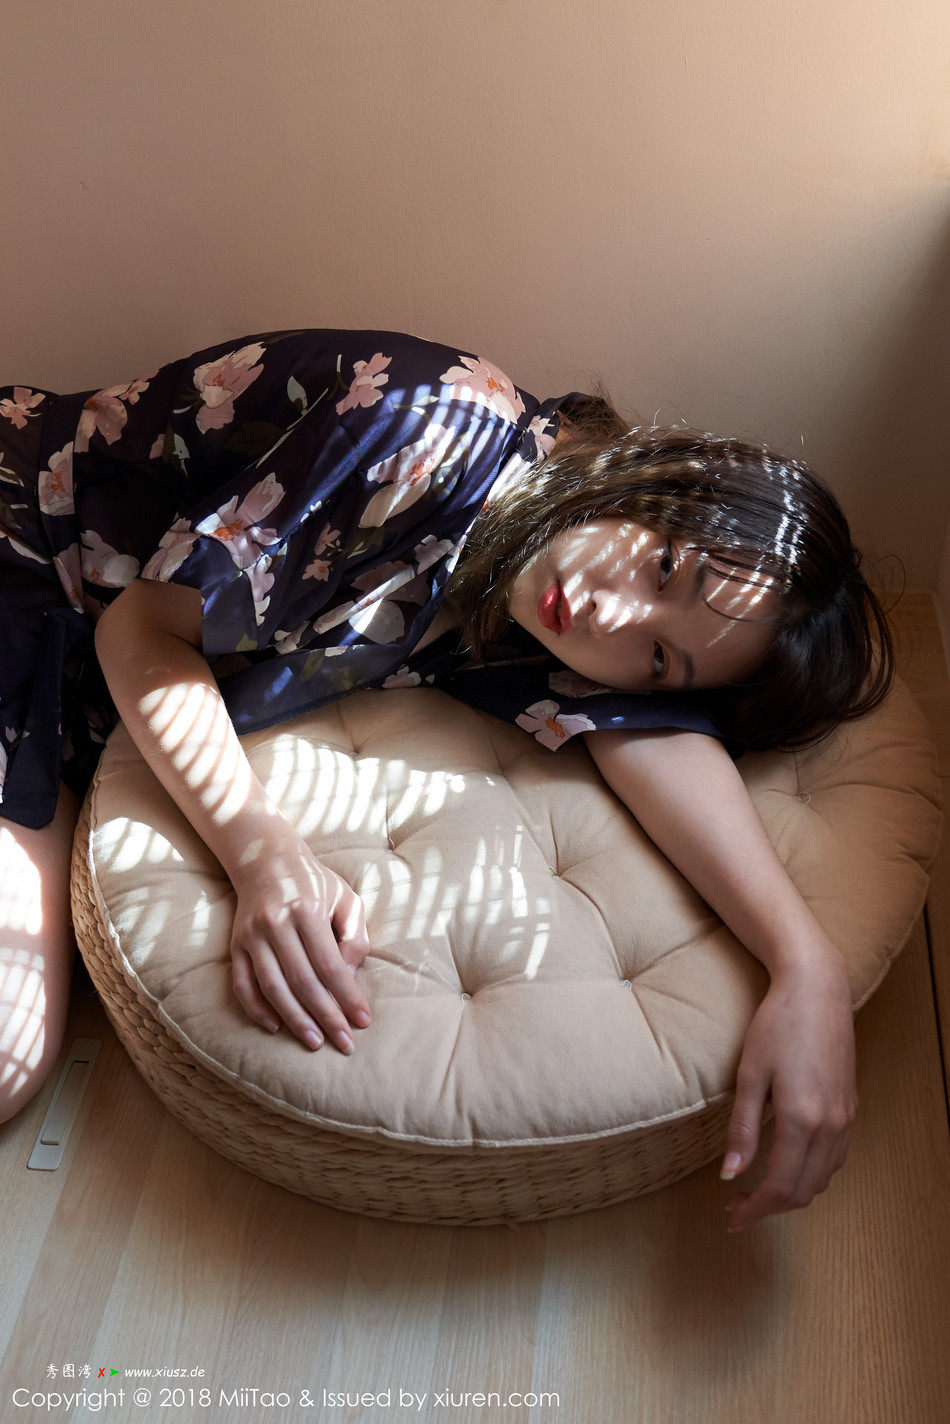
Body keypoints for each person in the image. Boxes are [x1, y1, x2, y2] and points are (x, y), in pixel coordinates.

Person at [0, 328, 893, 1232]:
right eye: (666, 567)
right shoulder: (429, 427)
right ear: (667, 480)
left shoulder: (558, 606)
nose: (610, 614)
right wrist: (264, 854)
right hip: (25, 552)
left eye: (660, 658)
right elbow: (138, 631)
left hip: (67, 698)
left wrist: (805, 964)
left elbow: (656, 746)